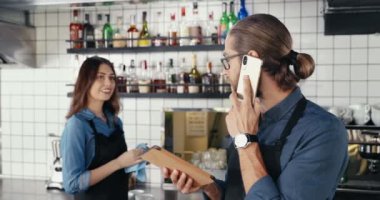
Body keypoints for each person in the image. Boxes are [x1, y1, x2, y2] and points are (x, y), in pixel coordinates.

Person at [163, 14, 348, 200]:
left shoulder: (324, 131)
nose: (224, 71)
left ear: (250, 60)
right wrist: (212, 189)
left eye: (227, 59)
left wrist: (246, 142)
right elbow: (242, 193)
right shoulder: (250, 118)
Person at [61, 56, 143, 200]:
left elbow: (119, 168)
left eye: (111, 78)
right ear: (86, 82)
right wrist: (118, 163)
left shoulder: (116, 122)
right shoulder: (77, 125)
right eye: (101, 77)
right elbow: (72, 184)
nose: (108, 83)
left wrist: (136, 160)